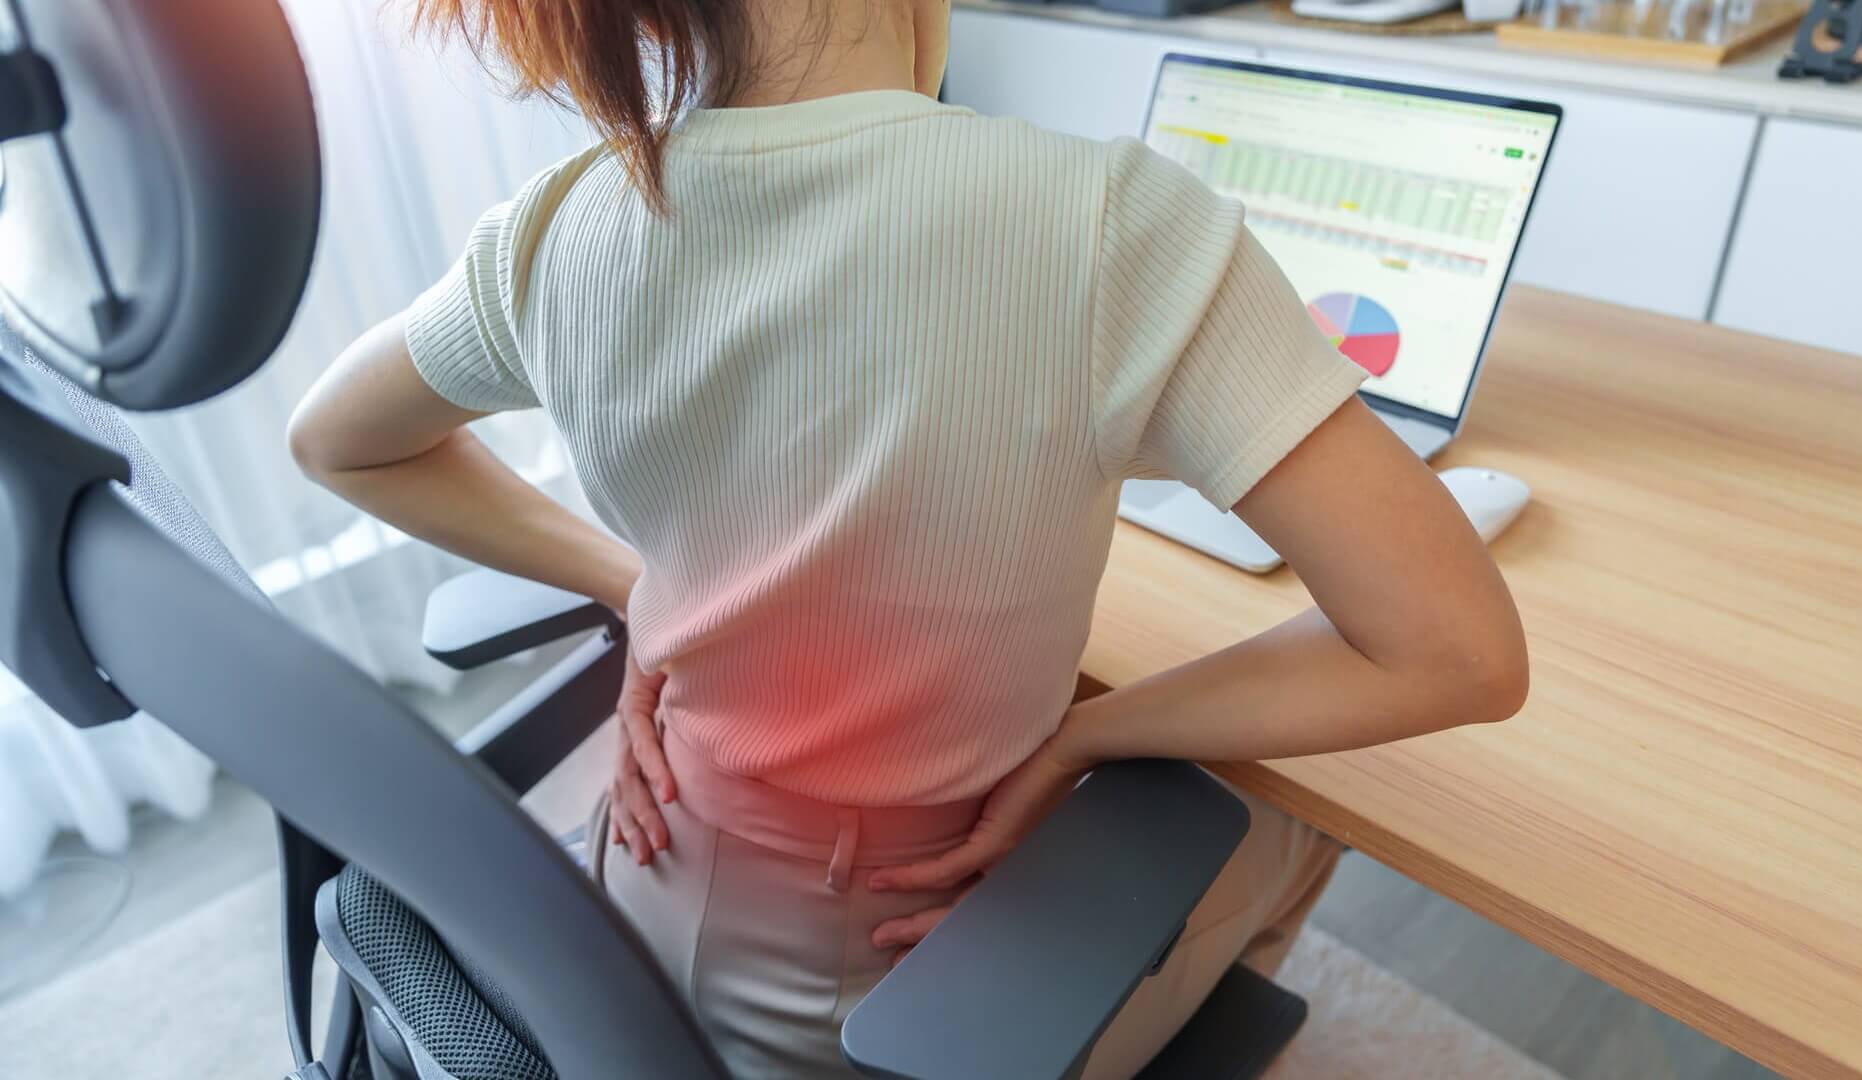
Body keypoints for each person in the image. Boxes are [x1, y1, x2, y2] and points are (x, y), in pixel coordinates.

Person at [286, 0, 1529, 1074]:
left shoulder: (558, 226)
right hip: (903, 990)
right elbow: (1454, 651)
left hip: (632, 917)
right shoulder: (1111, 223)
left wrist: (640, 588)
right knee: (1298, 816)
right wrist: (1084, 738)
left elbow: (335, 439)